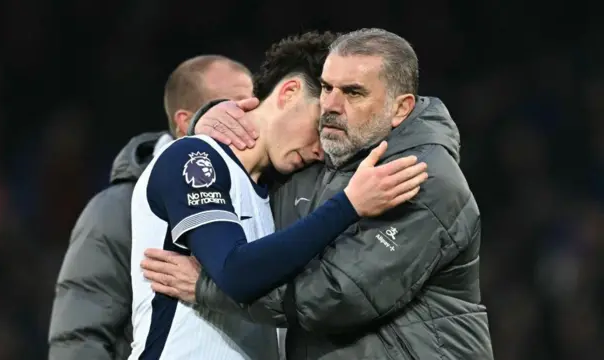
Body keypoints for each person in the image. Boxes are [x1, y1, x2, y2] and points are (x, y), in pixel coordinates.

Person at [142, 28, 494, 359]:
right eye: (327, 88)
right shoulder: (320, 159)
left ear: (400, 108)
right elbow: (252, 146)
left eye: (353, 92)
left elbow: (337, 297)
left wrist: (209, 289)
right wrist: (208, 119)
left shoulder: (421, 177)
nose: (332, 106)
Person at [48, 55, 253, 360]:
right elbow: (79, 336)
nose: (248, 117)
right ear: (187, 122)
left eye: (253, 105)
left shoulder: (256, 195)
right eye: (233, 104)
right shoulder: (117, 209)